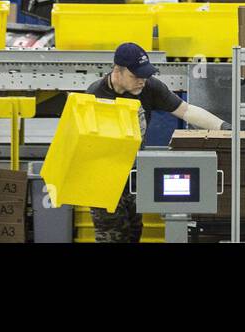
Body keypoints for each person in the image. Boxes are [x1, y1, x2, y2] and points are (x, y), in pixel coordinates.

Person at [87, 43, 228, 243]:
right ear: (117, 70)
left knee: (134, 232)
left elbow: (186, 111)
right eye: (136, 76)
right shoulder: (95, 95)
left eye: (145, 75)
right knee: (112, 237)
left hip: (133, 175)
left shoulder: (149, 87)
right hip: (104, 179)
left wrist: (224, 127)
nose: (142, 81)